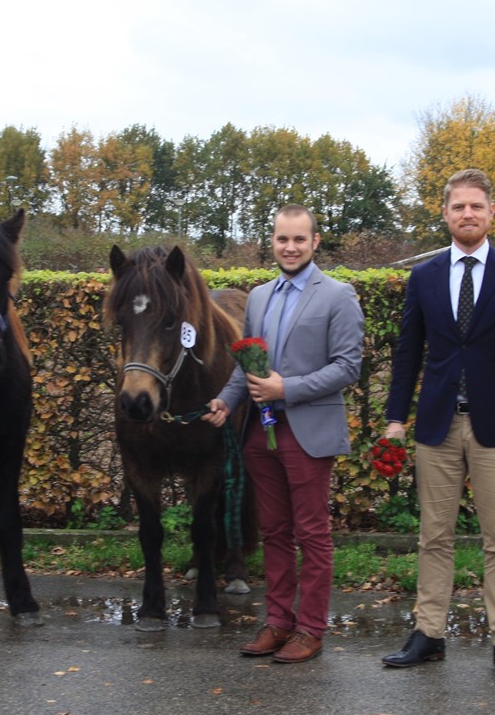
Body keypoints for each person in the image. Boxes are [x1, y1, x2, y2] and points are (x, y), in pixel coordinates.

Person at [381, 169, 495, 677]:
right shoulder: (426, 277)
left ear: (491, 213)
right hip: (436, 426)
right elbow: (408, 352)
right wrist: (396, 417)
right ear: (445, 214)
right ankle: (428, 633)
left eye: (475, 206)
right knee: (433, 535)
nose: (467, 214)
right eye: (458, 206)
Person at [204, 204, 364, 663]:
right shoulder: (258, 297)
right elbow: (246, 364)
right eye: (281, 239)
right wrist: (226, 400)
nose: (289, 247)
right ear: (271, 242)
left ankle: (309, 629)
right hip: (261, 433)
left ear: (315, 242)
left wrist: (285, 388)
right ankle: (278, 623)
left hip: (309, 432)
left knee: (311, 533)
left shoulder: (338, 295)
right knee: (273, 531)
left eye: (299, 239)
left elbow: (348, 367)